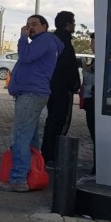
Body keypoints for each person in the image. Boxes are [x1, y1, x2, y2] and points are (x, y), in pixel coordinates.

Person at [0, 15, 63, 192]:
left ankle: (18, 179)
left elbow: (25, 57)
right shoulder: (47, 42)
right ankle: (32, 174)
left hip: (30, 94)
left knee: (20, 136)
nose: (29, 28)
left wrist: (22, 37)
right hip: (33, 93)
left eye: (34, 24)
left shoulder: (44, 40)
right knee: (31, 137)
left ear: (45, 26)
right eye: (27, 24)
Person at [40, 11, 80, 169]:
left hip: (51, 88)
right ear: (68, 24)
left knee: (51, 121)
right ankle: (53, 157)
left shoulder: (52, 40)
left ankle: (46, 154)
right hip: (62, 89)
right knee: (60, 122)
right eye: (73, 21)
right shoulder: (65, 42)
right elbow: (68, 67)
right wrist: (74, 84)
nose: (75, 25)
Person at [80, 32, 96, 175]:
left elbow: (93, 81)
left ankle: (97, 168)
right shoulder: (98, 60)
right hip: (90, 100)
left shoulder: (104, 59)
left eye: (93, 42)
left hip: (94, 101)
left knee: (96, 134)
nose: (91, 45)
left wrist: (86, 71)